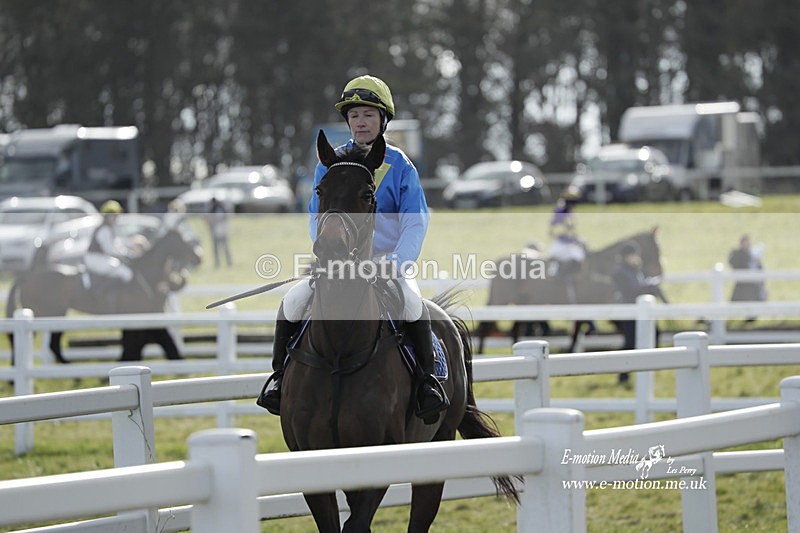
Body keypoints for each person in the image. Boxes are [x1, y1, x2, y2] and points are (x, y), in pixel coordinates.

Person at [260, 74, 448, 424]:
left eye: (369, 115)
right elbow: (317, 216)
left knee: (411, 303)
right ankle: (279, 379)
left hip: (387, 266)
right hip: (338, 263)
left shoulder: (401, 165)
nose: (361, 122)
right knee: (293, 301)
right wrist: (328, 255)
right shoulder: (328, 163)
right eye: (355, 116)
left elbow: (415, 221)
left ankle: (427, 384)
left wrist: (395, 262)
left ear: (383, 120)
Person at [612, 242, 668, 384]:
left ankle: (647, 369)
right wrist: (648, 288)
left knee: (654, 335)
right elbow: (629, 291)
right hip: (629, 312)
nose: (634, 258)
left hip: (641, 312)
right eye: (631, 255)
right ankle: (623, 374)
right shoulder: (620, 272)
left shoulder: (635, 270)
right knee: (630, 343)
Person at [548, 186, 586, 303]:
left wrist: (578, 239)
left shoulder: (568, 213)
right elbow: (556, 231)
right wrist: (573, 240)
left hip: (566, 244)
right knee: (578, 255)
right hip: (560, 245)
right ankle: (564, 277)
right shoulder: (561, 212)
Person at [729, 234, 767, 304]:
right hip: (742, 290)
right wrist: (748, 255)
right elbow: (733, 262)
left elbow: (761, 271)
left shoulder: (754, 257)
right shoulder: (738, 255)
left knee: (754, 311)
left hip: (755, 289)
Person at [207, 196, 232, 268]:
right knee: (217, 249)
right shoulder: (213, 210)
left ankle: (228, 262)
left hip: (222, 231)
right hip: (216, 231)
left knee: (225, 248)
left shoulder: (221, 209)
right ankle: (218, 263)